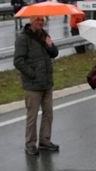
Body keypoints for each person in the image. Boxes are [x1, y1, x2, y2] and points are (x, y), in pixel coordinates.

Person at [13, 16, 60, 156]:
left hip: (46, 82)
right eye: (37, 20)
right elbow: (18, 61)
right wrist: (32, 74)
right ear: (31, 21)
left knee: (48, 114)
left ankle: (45, 141)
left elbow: (54, 53)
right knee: (32, 116)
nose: (40, 22)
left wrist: (50, 45)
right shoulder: (23, 38)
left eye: (42, 20)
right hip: (32, 85)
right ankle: (30, 144)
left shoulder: (44, 35)